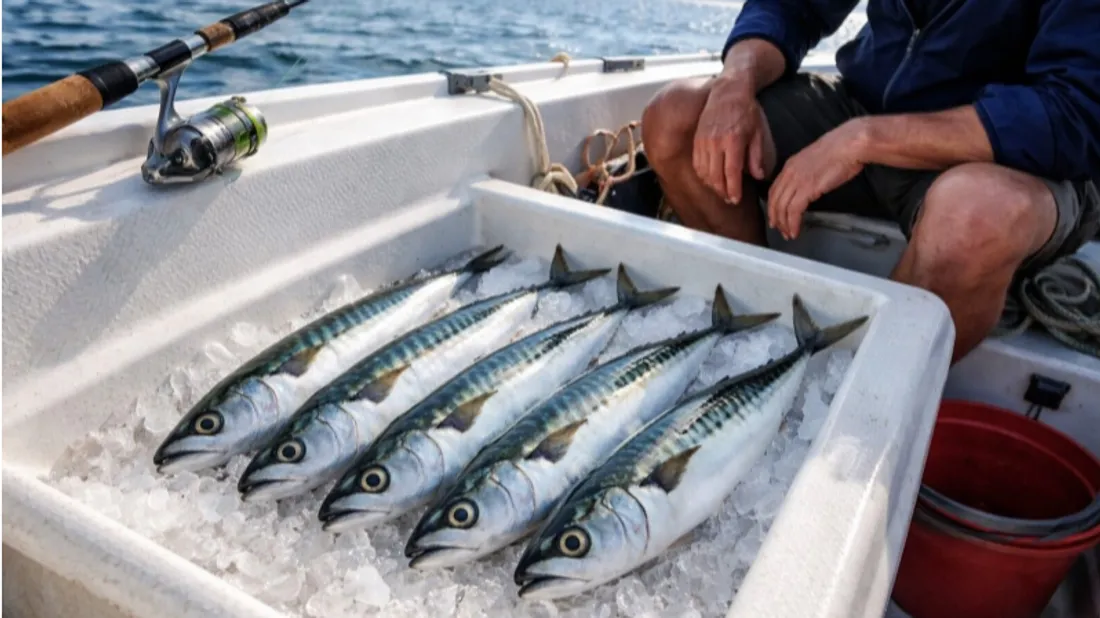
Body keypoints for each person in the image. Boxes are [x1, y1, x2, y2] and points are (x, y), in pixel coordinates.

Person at [640, 0, 1100, 363]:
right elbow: (791, 7)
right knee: (676, 119)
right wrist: (735, 82)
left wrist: (865, 140)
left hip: (1005, 158)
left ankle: (853, 390)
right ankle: (755, 332)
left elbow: (1075, 113)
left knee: (975, 216)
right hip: (865, 109)